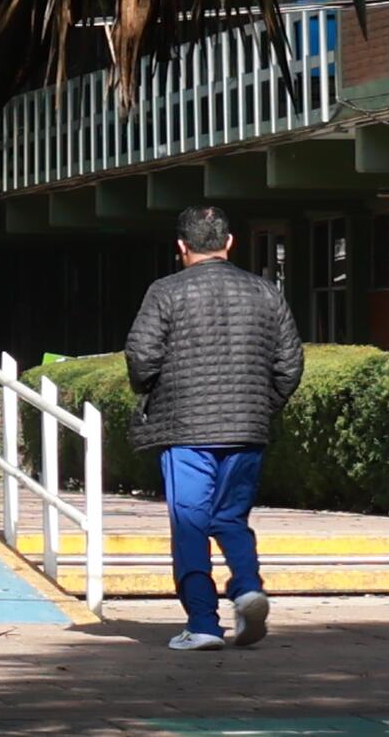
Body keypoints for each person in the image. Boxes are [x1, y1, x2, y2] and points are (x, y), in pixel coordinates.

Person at [125, 206, 304, 651]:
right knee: (230, 517)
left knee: (190, 523)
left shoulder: (165, 291)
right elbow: (289, 363)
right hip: (247, 428)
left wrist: (151, 392)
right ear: (229, 243)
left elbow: (141, 356)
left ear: (181, 247)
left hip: (185, 429)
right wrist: (261, 406)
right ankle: (247, 588)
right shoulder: (265, 292)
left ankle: (203, 622)